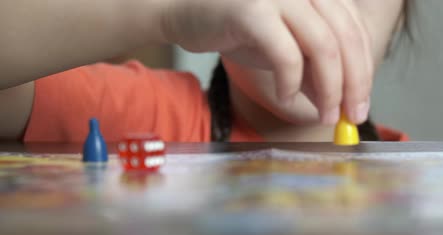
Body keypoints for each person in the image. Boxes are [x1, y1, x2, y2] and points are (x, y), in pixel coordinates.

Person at [0, 0, 409, 143]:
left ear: (397, 22)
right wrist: (167, 12)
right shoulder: (139, 115)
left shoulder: (422, 186)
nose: (314, 14)